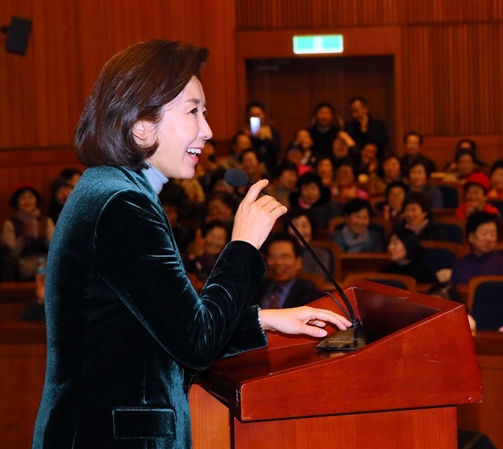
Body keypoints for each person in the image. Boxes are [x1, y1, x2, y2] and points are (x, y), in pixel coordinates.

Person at [32, 40, 350, 449]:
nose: (208, 130)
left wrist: (264, 320)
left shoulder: (111, 191)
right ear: (142, 124)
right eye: (194, 111)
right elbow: (195, 343)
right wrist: (243, 246)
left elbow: (158, 336)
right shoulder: (122, 204)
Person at [251, 233, 323, 309]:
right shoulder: (256, 288)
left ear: (298, 261)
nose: (278, 262)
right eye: (272, 256)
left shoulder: (308, 292)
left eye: (285, 257)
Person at [2, 185, 54, 281]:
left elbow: (55, 249)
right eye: (22, 198)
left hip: (45, 261)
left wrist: (44, 238)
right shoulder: (10, 223)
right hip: (22, 263)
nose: (27, 201)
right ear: (16, 203)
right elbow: (10, 254)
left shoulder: (46, 220)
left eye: (30, 197)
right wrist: (23, 237)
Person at [449, 211, 503, 285]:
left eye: (493, 234)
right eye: (484, 233)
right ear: (471, 237)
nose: (489, 238)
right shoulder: (459, 265)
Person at [284, 208, 333, 280]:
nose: (299, 231)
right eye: (295, 226)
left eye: (304, 226)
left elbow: (320, 281)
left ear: (312, 229)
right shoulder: (280, 253)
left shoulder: (321, 254)